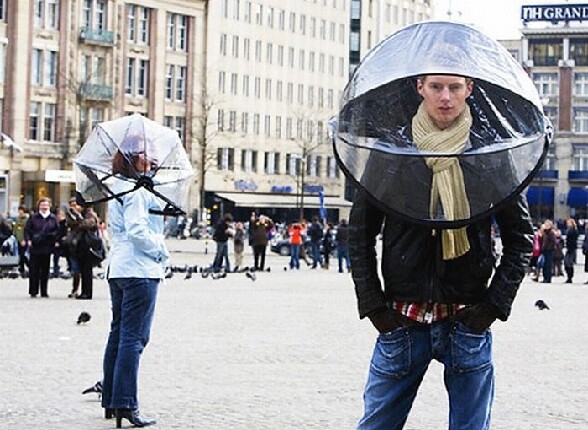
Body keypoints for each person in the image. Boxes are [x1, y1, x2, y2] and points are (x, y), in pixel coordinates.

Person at [350, 74, 533, 430]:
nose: (445, 97)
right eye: (436, 87)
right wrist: (374, 308)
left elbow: (521, 236)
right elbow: (359, 233)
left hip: (466, 321)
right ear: (420, 87)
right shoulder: (392, 151)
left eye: (455, 87)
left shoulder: (488, 152)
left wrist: (491, 308)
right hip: (402, 319)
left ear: (470, 89)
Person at [101, 139, 168, 427]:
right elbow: (138, 230)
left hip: (119, 268)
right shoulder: (136, 191)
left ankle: (111, 400)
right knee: (134, 338)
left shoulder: (116, 187)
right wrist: (161, 248)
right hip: (140, 269)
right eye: (144, 153)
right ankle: (125, 403)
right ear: (130, 159)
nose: (150, 157)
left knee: (118, 334)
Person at [23, 197, 60, 298]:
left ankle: (44, 291)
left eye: (46, 205)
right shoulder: (33, 217)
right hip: (35, 246)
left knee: (45, 270)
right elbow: (27, 230)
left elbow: (57, 231)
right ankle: (33, 290)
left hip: (47, 246)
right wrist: (28, 240)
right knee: (33, 270)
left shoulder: (53, 218)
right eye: (42, 205)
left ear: (49, 206)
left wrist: (55, 240)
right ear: (39, 206)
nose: (44, 207)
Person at [12, 206, 29, 275]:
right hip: (18, 239)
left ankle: (28, 266)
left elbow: (27, 230)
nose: (20, 212)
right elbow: (16, 228)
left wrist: (25, 239)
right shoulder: (18, 218)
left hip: (24, 239)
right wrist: (14, 234)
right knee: (21, 254)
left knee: (23, 255)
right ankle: (22, 268)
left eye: (21, 210)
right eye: (19, 210)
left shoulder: (27, 219)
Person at [564, 218, 579, 283]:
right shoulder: (568, 230)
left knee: (569, 263)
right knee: (566, 263)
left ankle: (570, 277)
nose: (567, 224)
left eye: (569, 223)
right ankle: (569, 276)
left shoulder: (574, 230)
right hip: (568, 248)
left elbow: (573, 239)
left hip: (572, 248)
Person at [541, 219, 556, 283]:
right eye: (546, 224)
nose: (546, 226)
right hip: (544, 250)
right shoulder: (544, 232)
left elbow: (553, 242)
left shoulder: (551, 232)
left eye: (548, 225)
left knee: (548, 265)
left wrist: (548, 248)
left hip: (549, 251)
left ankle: (548, 278)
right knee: (544, 265)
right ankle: (545, 277)